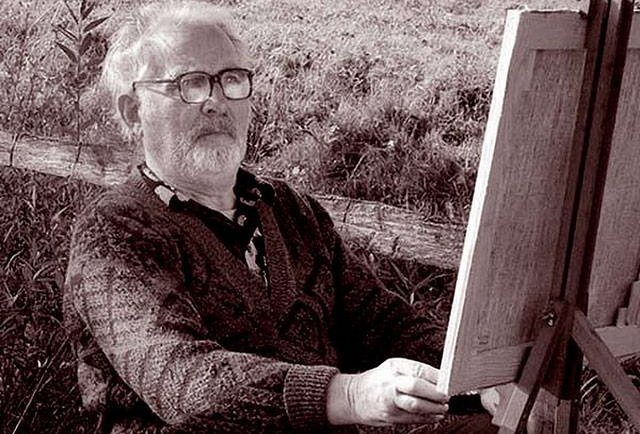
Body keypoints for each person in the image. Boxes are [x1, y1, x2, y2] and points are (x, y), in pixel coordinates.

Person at [63, 1, 502, 433]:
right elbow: (182, 379)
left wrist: (476, 378)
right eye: (190, 84)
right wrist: (350, 396)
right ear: (134, 111)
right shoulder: (114, 233)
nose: (217, 102)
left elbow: (381, 321)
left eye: (231, 79)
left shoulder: (290, 210)